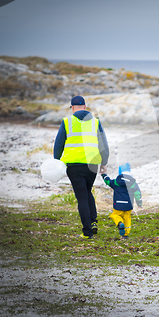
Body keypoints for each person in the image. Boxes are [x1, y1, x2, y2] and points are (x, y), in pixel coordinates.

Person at [54, 95, 109, 239]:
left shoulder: (67, 121)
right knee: (87, 191)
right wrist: (104, 163)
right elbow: (104, 144)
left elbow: (59, 144)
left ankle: (87, 233)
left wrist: (56, 161)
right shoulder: (95, 122)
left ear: (72, 108)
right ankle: (93, 221)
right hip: (92, 165)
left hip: (74, 165)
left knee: (82, 197)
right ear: (85, 107)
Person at [101, 163, 142, 239]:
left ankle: (119, 223)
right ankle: (125, 235)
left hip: (118, 205)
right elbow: (137, 193)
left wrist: (104, 175)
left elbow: (108, 181)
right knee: (127, 218)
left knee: (115, 215)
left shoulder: (116, 182)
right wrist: (139, 203)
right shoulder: (133, 183)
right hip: (128, 206)